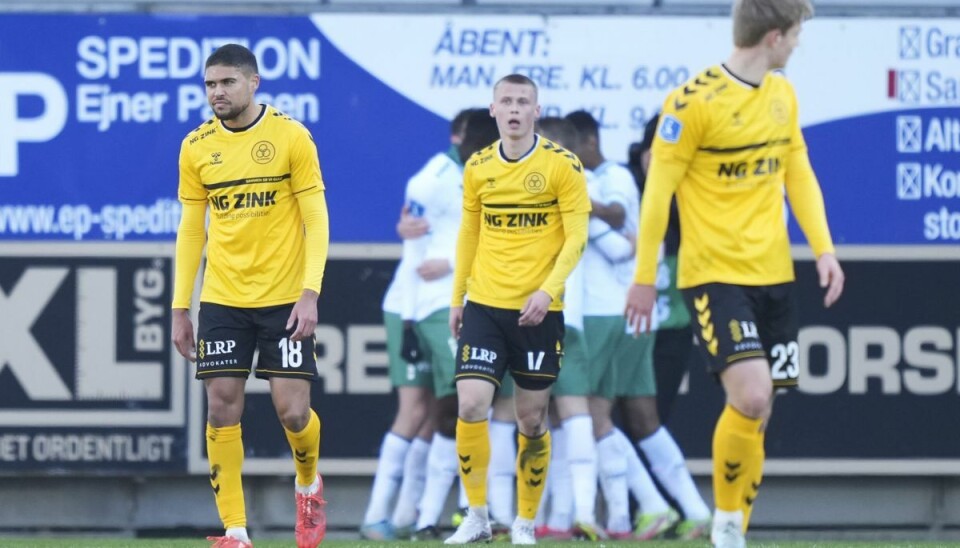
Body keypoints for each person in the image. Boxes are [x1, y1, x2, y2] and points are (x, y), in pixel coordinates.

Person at [624, 1, 845, 547]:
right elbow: (658, 195)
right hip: (713, 274)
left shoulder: (782, 95)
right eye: (794, 35)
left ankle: (734, 530)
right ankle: (724, 525)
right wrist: (645, 275)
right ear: (774, 36)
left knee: (761, 407)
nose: (797, 45)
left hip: (774, 276)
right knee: (749, 395)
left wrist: (824, 250)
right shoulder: (690, 103)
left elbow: (799, 174)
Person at [171, 44, 329, 548]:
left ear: (253, 83)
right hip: (223, 296)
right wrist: (180, 306)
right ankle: (236, 531)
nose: (217, 93)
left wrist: (311, 291)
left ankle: (307, 484)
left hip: (284, 295)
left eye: (227, 83)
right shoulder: (196, 146)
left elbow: (316, 218)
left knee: (293, 413)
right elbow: (191, 230)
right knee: (221, 406)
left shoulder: (290, 136)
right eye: (210, 85)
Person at [444, 74, 591, 545]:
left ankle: (525, 522)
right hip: (485, 305)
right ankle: (478, 516)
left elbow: (577, 238)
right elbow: (468, 235)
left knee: (531, 418)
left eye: (522, 101)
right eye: (505, 101)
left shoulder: (562, 166)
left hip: (539, 312)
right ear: (492, 109)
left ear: (535, 110)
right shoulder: (478, 166)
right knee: (470, 405)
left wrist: (548, 291)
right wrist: (457, 298)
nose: (513, 109)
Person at [359, 108, 481, 542]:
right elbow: (414, 252)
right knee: (415, 411)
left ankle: (410, 515)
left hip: (441, 304)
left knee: (436, 415)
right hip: (413, 307)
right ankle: (376, 516)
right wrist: (409, 320)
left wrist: (450, 262)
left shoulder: (482, 173)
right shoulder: (435, 177)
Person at [563, 110, 678, 540]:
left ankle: (634, 509)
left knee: (584, 414)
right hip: (603, 310)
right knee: (595, 415)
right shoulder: (598, 179)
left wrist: (572, 207)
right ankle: (625, 516)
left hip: (601, 312)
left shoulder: (612, 178)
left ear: (587, 142)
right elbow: (616, 239)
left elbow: (619, 245)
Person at [528, 117, 603, 541]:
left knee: (514, 414)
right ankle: (575, 515)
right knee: (570, 414)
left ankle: (505, 513)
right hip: (568, 314)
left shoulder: (536, 178)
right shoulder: (579, 186)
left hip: (525, 310)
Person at [629, 112, 693, 424]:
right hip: (628, 325)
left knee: (657, 413)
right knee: (621, 415)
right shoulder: (624, 186)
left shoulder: (696, 192)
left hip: (674, 322)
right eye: (652, 154)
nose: (658, 162)